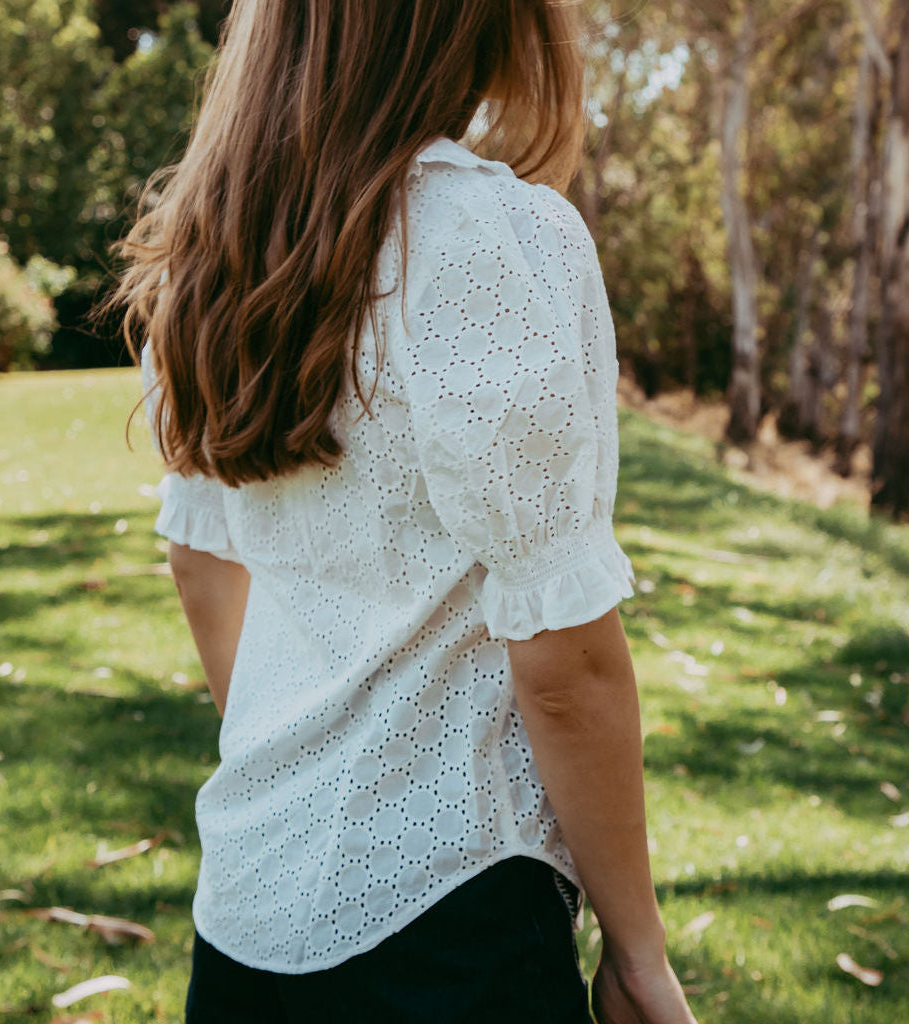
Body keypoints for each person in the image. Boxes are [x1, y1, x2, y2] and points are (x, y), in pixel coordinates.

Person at [109, 1, 702, 1022]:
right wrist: (638, 952)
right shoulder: (489, 236)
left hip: (243, 923)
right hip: (453, 929)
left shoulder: (216, 242)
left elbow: (200, 564)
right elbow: (563, 661)